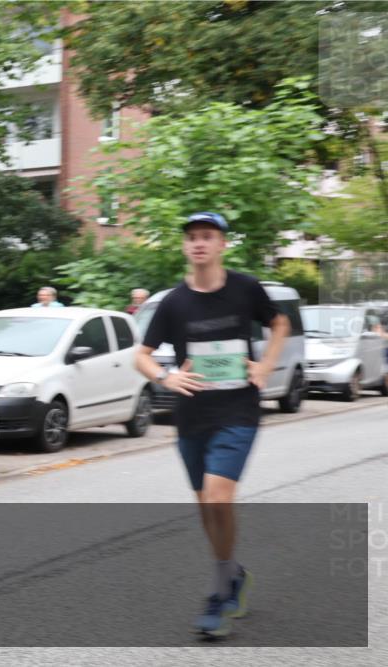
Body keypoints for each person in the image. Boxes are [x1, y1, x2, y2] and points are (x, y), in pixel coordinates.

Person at [134, 212, 290, 639]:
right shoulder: (173, 302)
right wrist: (165, 377)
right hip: (191, 415)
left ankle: (220, 593)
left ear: (222, 244)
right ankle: (233, 572)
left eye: (208, 236)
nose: (199, 243)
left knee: (219, 498)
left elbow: (279, 323)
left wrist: (267, 365)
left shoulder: (246, 288)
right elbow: (142, 354)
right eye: (192, 238)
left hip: (238, 410)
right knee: (206, 505)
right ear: (186, 247)